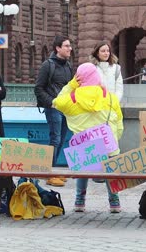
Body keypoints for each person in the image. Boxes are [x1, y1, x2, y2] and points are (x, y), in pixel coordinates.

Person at [52, 63, 124, 213]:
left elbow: (56, 102)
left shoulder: (71, 99)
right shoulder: (110, 97)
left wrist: (71, 85)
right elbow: (119, 123)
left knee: (83, 158)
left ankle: (80, 200)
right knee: (111, 161)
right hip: (108, 147)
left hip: (85, 151)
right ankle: (114, 200)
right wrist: (115, 139)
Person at [34, 35, 73, 187]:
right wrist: (51, 103)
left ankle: (53, 171)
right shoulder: (47, 65)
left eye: (70, 46)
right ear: (58, 48)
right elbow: (38, 88)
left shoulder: (68, 66)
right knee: (55, 139)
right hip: (53, 108)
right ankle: (49, 173)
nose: (70, 49)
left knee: (62, 139)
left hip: (65, 108)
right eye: (66, 46)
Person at [89, 41, 123, 183]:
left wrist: (114, 102)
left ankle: (111, 172)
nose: (106, 53)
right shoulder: (91, 68)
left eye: (107, 51)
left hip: (112, 110)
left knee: (112, 140)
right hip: (97, 110)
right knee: (97, 140)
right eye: (103, 51)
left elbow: (119, 87)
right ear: (97, 52)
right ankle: (98, 173)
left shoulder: (115, 68)